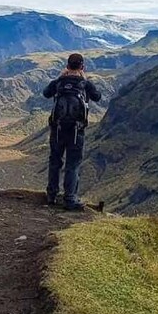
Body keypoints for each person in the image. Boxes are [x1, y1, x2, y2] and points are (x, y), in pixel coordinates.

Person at [42, 53, 102, 211]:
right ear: (82, 66)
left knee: (55, 161)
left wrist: (60, 78)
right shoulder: (85, 84)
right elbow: (97, 97)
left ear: (67, 66)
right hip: (76, 131)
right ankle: (70, 199)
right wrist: (84, 80)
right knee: (73, 164)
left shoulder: (59, 82)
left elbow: (46, 93)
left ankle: (51, 195)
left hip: (57, 129)